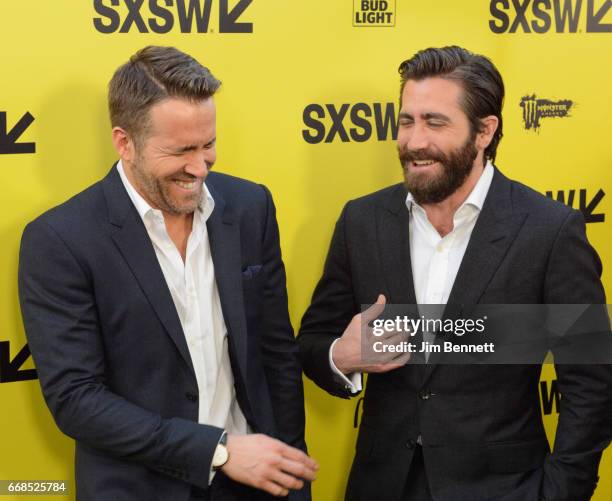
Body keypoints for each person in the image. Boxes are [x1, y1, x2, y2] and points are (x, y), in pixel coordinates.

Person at [298, 46, 612, 501]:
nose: (414, 140)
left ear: (485, 131)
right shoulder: (361, 221)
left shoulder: (549, 230)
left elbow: (592, 380)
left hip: (507, 488)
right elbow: (312, 341)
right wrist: (339, 357)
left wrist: (563, 489)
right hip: (383, 486)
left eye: (435, 122)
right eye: (407, 121)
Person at [19, 46, 316, 501]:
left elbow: (275, 354)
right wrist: (217, 451)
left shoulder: (250, 207)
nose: (200, 167)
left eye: (209, 145)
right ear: (125, 142)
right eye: (181, 150)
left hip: (255, 484)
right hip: (141, 488)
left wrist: (290, 472)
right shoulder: (60, 240)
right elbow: (77, 400)